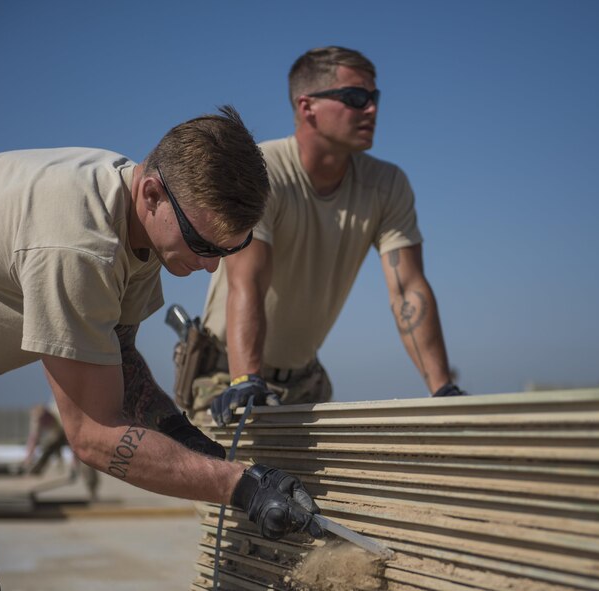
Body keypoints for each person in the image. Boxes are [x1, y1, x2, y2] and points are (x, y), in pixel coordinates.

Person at [0, 106, 322, 590]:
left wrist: (194, 446)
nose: (210, 268)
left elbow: (120, 362)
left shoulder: (142, 227)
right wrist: (239, 485)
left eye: (228, 250)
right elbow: (93, 435)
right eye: (203, 244)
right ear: (153, 192)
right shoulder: (79, 246)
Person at [181, 48, 465, 428]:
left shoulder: (387, 185)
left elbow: (407, 289)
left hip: (305, 380)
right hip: (228, 377)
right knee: (238, 485)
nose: (372, 110)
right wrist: (246, 379)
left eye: (374, 98)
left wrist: (443, 390)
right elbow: (247, 282)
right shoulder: (261, 174)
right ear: (307, 106)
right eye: (356, 98)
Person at [22, 399, 100, 501]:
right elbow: (33, 439)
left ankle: (92, 490)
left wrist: (74, 463)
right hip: (58, 433)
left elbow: (76, 442)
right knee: (47, 446)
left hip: (72, 431)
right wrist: (28, 458)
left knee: (85, 458)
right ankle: (32, 476)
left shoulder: (62, 413)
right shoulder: (38, 418)